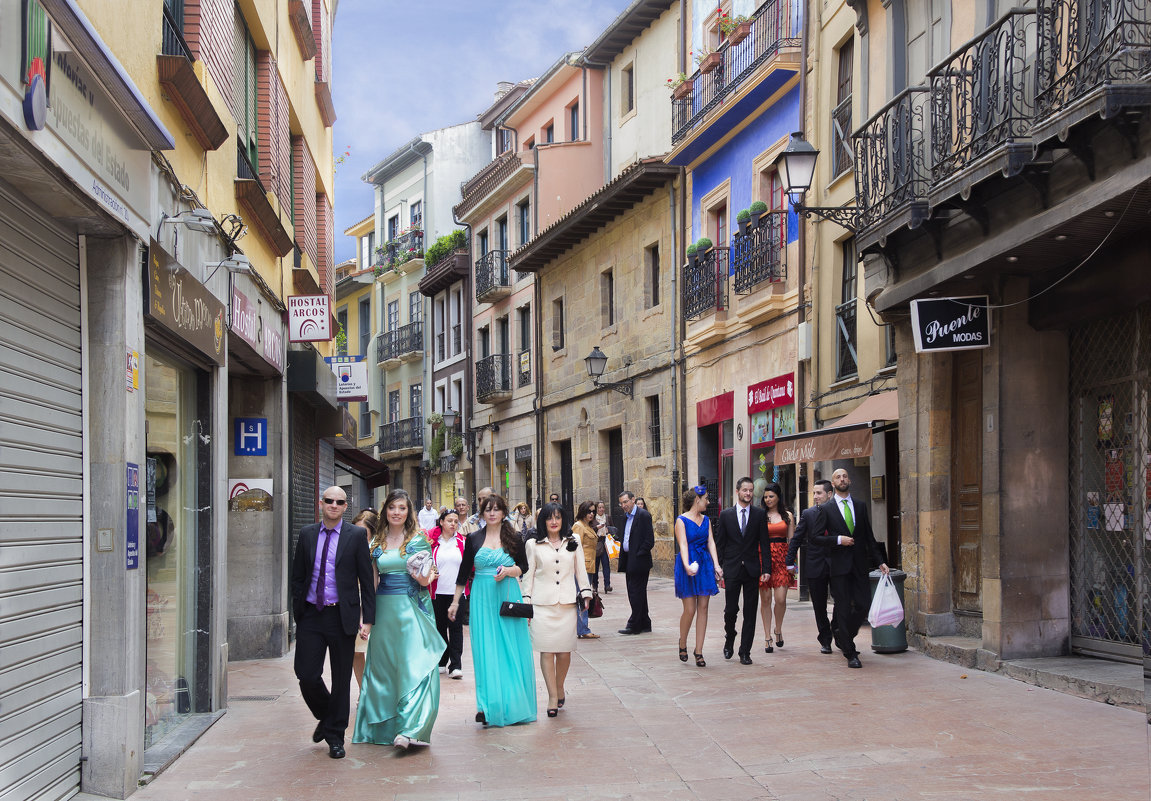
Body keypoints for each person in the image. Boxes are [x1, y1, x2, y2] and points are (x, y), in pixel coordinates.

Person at [353, 489, 443, 750]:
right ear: (385, 511)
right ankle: (384, 728)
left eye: (402, 508)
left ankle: (410, 728)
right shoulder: (375, 543)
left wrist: (423, 575)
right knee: (384, 669)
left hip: (412, 609)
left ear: (409, 512)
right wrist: (366, 618)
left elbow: (428, 577)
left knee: (411, 666)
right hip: (384, 611)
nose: (396, 512)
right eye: (392, 507)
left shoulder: (418, 540)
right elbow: (370, 584)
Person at [290, 487, 375, 759]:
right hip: (312, 615)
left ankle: (335, 737)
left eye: (340, 502)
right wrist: (299, 612)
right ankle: (327, 717)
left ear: (345, 506)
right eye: (329, 501)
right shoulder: (306, 534)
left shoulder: (356, 535)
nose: (334, 505)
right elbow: (298, 577)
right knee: (306, 674)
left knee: (341, 679)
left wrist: (368, 619)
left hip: (342, 616)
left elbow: (366, 580)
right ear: (321, 503)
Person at [448, 494, 535, 726]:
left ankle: (514, 702)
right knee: (485, 649)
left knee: (510, 648)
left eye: (497, 509)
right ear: (483, 513)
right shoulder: (474, 538)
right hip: (482, 598)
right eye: (488, 509)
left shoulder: (515, 537)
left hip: (507, 594)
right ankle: (487, 705)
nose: (493, 513)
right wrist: (455, 602)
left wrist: (508, 571)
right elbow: (463, 573)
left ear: (504, 512)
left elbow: (523, 568)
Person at [809, 468, 889, 668]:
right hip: (838, 566)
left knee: (863, 604)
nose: (842, 479)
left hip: (859, 564)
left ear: (850, 480)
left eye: (845, 476)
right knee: (843, 607)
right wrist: (838, 540)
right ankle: (850, 652)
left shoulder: (860, 506)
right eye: (838, 477)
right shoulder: (826, 509)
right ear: (833, 484)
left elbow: (868, 536)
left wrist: (880, 560)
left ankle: (843, 635)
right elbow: (816, 538)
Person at [522, 502, 594, 716]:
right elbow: (529, 574)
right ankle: (552, 696)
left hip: (567, 603)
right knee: (546, 651)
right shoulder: (533, 544)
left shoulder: (574, 541)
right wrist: (526, 599)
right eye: (549, 518)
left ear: (563, 520)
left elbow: (581, 569)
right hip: (541, 604)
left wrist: (586, 592)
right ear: (543, 521)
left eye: (557, 517)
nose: (554, 522)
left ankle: (560, 685)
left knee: (564, 651)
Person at [714, 477, 770, 664]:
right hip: (732, 568)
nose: (748, 494)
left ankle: (745, 651)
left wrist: (767, 568)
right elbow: (720, 543)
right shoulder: (726, 515)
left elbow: (765, 543)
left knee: (750, 611)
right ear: (737, 491)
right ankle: (729, 639)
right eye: (745, 490)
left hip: (753, 569)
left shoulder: (759, 515)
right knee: (731, 610)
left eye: (750, 490)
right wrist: (719, 566)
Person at [673, 486, 721, 666]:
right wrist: (686, 564)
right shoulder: (681, 521)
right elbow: (683, 545)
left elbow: (711, 542)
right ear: (696, 500)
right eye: (706, 499)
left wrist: (716, 565)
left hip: (705, 564)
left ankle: (699, 650)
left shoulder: (706, 520)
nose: (708, 502)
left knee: (704, 608)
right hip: (688, 563)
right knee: (690, 609)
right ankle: (683, 642)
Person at [786, 479, 835, 653]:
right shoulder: (809, 514)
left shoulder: (839, 512)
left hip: (837, 565)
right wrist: (789, 560)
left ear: (829, 494)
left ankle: (835, 627)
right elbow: (797, 538)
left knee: (843, 601)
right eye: (813, 493)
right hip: (815, 564)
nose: (815, 496)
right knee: (819, 605)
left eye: (819, 493)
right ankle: (825, 639)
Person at [429, 507, 467, 678]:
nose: (453, 524)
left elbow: (469, 566)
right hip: (437, 592)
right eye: (449, 521)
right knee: (439, 627)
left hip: (457, 593)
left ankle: (456, 664)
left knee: (456, 627)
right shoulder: (432, 542)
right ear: (442, 522)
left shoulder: (463, 542)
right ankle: (442, 660)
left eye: (455, 521)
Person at [759, 482, 795, 654]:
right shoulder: (759, 515)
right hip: (763, 558)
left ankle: (778, 629)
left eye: (771, 496)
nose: (768, 499)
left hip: (782, 558)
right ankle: (767, 636)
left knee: (780, 599)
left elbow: (792, 541)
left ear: (778, 497)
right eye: (765, 496)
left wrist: (792, 563)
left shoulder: (787, 515)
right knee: (765, 600)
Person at [616, 490, 654, 635]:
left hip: (639, 561)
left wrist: (639, 554)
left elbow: (649, 540)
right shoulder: (625, 517)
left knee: (635, 593)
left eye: (625, 502)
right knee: (638, 593)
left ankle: (634, 625)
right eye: (621, 503)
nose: (624, 505)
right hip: (629, 559)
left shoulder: (643, 515)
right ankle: (645, 622)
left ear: (632, 500)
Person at [350, 508, 380, 689]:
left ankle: (378, 694)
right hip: (353, 604)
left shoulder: (379, 550)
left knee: (378, 652)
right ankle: (364, 692)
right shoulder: (348, 546)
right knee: (356, 651)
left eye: (363, 532)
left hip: (376, 603)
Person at [572, 501, 601, 639]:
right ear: (583, 511)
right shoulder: (578, 526)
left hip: (589, 566)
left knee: (585, 597)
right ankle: (583, 629)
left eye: (593, 511)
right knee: (582, 597)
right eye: (589, 511)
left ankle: (583, 628)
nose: (591, 514)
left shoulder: (587, 526)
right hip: (582, 567)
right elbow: (574, 548)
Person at [593, 500, 613, 593]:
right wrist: (597, 528)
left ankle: (607, 585)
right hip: (596, 543)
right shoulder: (593, 518)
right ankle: (595, 586)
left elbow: (613, 528)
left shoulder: (607, 517)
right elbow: (590, 530)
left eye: (603, 507)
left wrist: (609, 530)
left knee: (606, 565)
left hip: (605, 542)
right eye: (599, 507)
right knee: (595, 566)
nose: (601, 509)